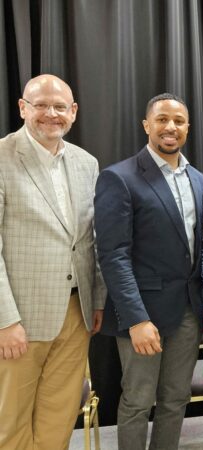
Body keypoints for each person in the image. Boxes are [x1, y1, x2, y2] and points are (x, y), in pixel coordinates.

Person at [94, 93, 203, 449]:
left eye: (178, 120)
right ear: (147, 125)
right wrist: (136, 319)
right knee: (138, 401)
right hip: (143, 315)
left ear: (188, 127)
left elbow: (200, 248)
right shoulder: (120, 177)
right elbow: (113, 255)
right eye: (162, 120)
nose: (170, 127)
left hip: (188, 312)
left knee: (175, 400)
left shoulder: (198, 178)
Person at [0, 74, 105, 449]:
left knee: (58, 420)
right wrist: (5, 320)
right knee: (10, 424)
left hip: (76, 313)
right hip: (19, 322)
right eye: (41, 104)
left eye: (60, 106)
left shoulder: (86, 163)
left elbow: (92, 239)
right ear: (22, 108)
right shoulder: (2, 157)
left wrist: (97, 300)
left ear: (73, 112)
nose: (51, 114)